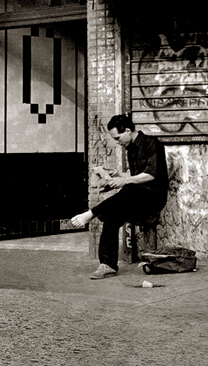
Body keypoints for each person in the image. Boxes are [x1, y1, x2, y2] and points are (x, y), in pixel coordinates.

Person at [70, 115, 168, 279]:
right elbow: (135, 176)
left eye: (117, 138)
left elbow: (151, 174)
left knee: (129, 189)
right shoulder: (130, 149)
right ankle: (108, 265)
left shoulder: (152, 143)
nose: (117, 142)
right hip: (135, 198)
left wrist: (124, 181)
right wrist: (115, 176)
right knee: (112, 213)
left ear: (128, 131)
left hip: (153, 198)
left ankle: (92, 213)